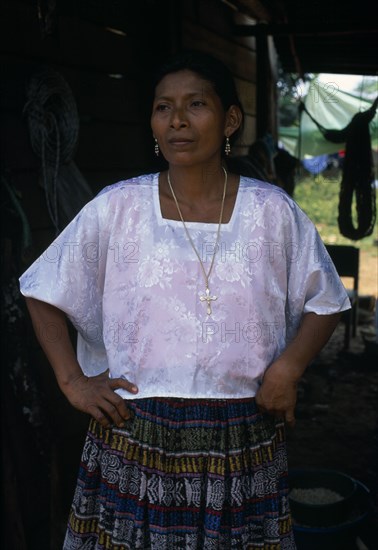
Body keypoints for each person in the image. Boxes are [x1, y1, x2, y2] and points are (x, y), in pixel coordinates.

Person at [19, 50, 350, 549]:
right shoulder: (118, 207)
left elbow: (326, 299)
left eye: (196, 104)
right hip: (136, 436)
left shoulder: (272, 212)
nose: (177, 120)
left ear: (230, 119)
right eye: (162, 107)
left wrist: (288, 369)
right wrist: (72, 381)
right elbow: (43, 287)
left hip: (242, 437)